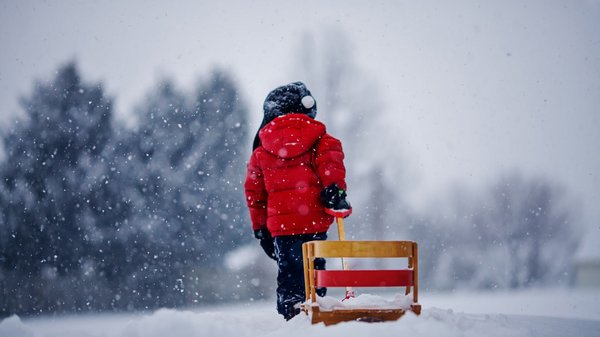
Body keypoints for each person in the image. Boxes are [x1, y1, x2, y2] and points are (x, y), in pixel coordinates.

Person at [244, 82, 351, 320]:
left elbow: (255, 194)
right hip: (314, 223)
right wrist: (335, 191)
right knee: (315, 273)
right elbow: (331, 166)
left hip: (282, 229)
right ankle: (317, 312)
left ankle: (292, 316)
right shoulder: (323, 140)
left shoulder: (260, 152)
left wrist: (260, 229)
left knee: (290, 275)